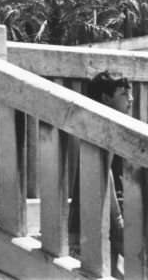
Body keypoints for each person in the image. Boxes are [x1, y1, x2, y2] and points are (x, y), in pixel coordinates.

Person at [69, 70, 130, 274]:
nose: (130, 99)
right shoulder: (100, 134)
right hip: (104, 216)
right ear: (106, 98)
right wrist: (120, 225)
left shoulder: (117, 130)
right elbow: (106, 182)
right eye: (123, 94)